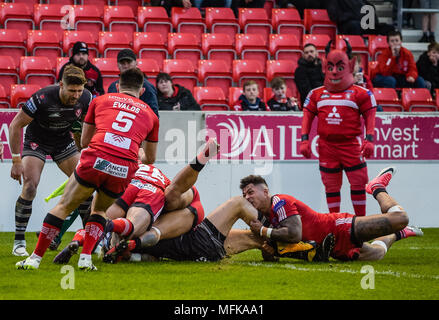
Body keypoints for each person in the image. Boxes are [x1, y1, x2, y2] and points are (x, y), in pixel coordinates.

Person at [15, 68, 160, 271]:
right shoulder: (152, 116)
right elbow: (150, 158)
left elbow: (84, 141)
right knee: (99, 210)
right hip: (124, 167)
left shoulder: (99, 101)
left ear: (117, 86)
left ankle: (34, 259)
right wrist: (132, 151)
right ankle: (86, 260)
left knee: (64, 205)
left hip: (97, 158)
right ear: (142, 91)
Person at [241, 168, 423, 262]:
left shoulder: (279, 201)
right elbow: (272, 254)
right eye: (244, 195)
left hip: (338, 227)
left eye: (250, 192)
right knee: (378, 254)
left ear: (265, 191)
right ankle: (401, 233)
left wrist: (263, 231)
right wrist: (267, 251)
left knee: (400, 219)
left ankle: (377, 188)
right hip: (330, 249)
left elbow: (294, 234)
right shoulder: (263, 219)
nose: (247, 197)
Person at [9, 65, 92, 257]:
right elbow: (15, 125)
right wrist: (15, 160)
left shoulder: (86, 97)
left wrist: (85, 148)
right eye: (72, 91)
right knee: (30, 186)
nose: (76, 96)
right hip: (37, 142)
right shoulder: (42, 97)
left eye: (79, 91)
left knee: (85, 186)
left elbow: (89, 125)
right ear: (61, 85)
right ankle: (19, 241)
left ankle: (89, 241)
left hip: (63, 142)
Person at [300, 40, 377, 217]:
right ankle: (335, 225)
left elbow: (370, 114)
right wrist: (304, 139)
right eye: (331, 67)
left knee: (358, 183)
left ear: (350, 67)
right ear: (325, 68)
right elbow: (307, 115)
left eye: (340, 67)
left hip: (351, 146)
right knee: (331, 186)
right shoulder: (316, 94)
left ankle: (361, 225)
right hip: (327, 147)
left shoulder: (361, 93)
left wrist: (370, 139)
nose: (334, 72)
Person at [107, 49, 159, 118]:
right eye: (122, 63)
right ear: (117, 65)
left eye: (129, 62)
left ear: (136, 63)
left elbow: (154, 115)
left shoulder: (146, 86)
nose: (125, 66)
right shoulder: (113, 86)